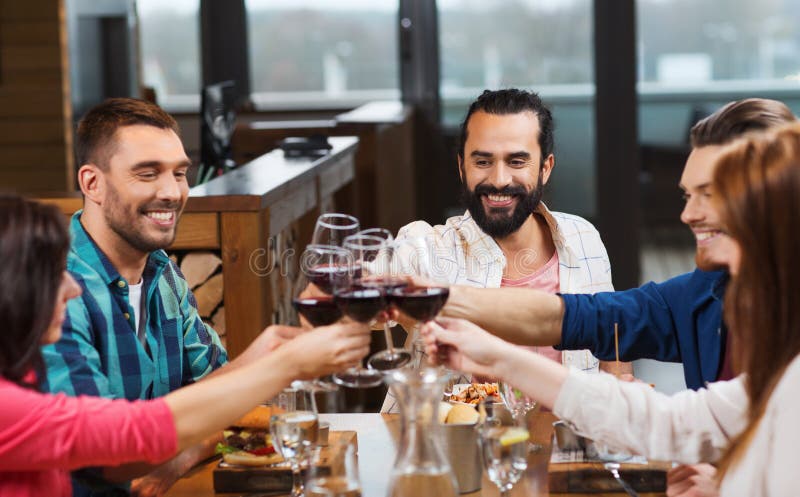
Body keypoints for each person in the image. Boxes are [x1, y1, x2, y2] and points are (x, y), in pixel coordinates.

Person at [422, 120, 800, 496]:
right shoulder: (709, 292)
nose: (688, 215)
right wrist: (492, 354)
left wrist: (728, 486)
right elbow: (670, 419)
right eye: (688, 195)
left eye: (714, 195)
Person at [0, 194, 372, 497]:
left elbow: (209, 402)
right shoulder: (8, 408)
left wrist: (268, 352)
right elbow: (129, 439)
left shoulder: (23, 375)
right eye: (52, 275)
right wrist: (285, 365)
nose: (73, 287)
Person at [40, 98, 266, 496]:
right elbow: (102, 455)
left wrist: (181, 456)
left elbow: (227, 398)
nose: (172, 192)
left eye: (180, 173)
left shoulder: (164, 274)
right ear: (92, 183)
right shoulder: (55, 290)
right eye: (147, 174)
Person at [381, 88, 629, 412]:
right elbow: (433, 403)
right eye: (483, 161)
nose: (499, 180)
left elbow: (613, 361)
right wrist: (504, 403)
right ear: (461, 167)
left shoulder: (583, 238)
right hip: (458, 456)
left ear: (545, 167)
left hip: (569, 452)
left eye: (516, 161)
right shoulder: (428, 250)